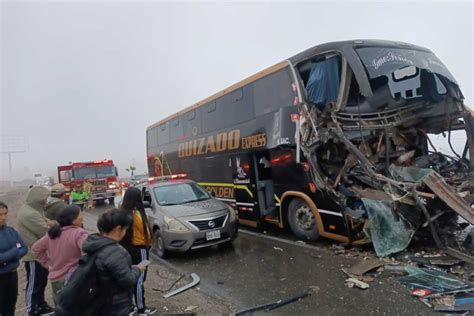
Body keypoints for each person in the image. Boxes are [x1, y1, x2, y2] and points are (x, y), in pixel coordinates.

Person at [80, 209, 143, 315]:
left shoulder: (94, 245)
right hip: (115, 304)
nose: (125, 232)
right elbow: (128, 280)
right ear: (118, 229)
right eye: (125, 229)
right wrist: (137, 269)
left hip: (99, 299)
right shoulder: (115, 252)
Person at [32, 205, 88, 306]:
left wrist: (48, 264)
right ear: (73, 220)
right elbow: (87, 252)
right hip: (75, 278)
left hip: (56, 279)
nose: (82, 217)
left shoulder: (53, 233)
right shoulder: (79, 233)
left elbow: (36, 249)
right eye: (80, 215)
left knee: (61, 309)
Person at [16, 186, 55, 316]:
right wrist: (52, 225)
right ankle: (31, 309)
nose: (47, 201)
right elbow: (46, 230)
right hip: (32, 255)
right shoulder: (29, 213)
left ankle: (41, 305)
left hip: (41, 254)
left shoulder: (35, 209)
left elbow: (48, 222)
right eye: (45, 198)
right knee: (34, 285)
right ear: (38, 198)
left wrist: (51, 224)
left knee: (42, 282)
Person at [120, 187, 156, 316]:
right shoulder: (136, 214)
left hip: (126, 249)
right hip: (139, 249)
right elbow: (145, 232)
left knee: (129, 278)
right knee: (139, 279)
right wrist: (150, 243)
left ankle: (129, 306)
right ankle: (142, 309)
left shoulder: (122, 212)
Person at [0, 201, 28, 316]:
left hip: (12, 275)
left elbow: (24, 248)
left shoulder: (10, 231)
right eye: (0, 214)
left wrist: (6, 257)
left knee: (10, 306)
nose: (3, 217)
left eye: (5, 214)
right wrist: (15, 250)